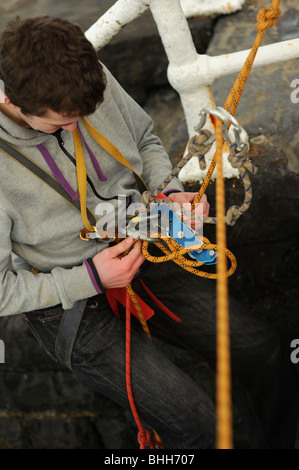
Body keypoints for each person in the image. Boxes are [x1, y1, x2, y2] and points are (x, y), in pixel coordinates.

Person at [0, 16, 298, 449]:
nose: (79, 126)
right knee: (202, 426)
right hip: (72, 301)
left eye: (87, 116)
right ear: (10, 100)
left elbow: (143, 138)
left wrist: (169, 190)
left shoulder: (85, 76)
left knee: (265, 353)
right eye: (64, 125)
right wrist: (93, 279)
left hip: (149, 237)